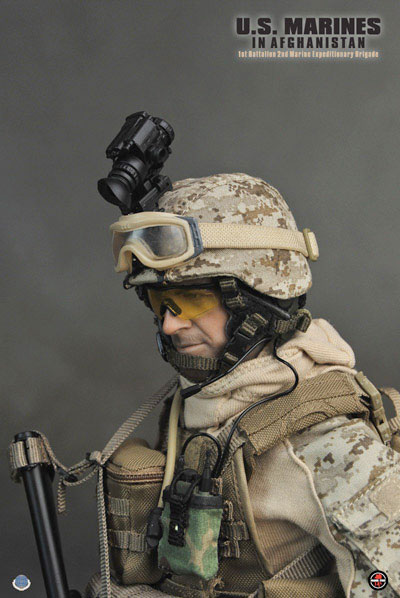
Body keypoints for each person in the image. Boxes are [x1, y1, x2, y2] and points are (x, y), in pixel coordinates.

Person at [97, 173, 400, 598]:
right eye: (160, 302)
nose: (169, 325)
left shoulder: (322, 440)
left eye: (192, 300)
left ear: (257, 297)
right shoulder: (203, 400)